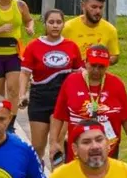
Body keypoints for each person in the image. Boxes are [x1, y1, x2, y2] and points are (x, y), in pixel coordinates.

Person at [49, 45, 127, 166]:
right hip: (77, 155)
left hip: (109, 153)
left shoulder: (116, 84)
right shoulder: (71, 81)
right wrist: (54, 143)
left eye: (101, 67)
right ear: (85, 62)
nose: (96, 71)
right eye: (93, 65)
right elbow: (58, 116)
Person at [19, 8, 83, 161]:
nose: (55, 26)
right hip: (39, 99)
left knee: (57, 145)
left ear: (63, 25)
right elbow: (25, 73)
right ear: (45, 24)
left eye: (58, 22)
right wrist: (22, 94)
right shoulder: (34, 46)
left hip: (61, 101)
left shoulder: (71, 46)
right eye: (51, 22)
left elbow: (78, 75)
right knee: (37, 147)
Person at [45, 121, 127, 178]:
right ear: (75, 149)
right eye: (86, 142)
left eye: (99, 140)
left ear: (108, 144)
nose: (95, 146)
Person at [62, 0, 121, 64]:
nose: (98, 11)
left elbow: (114, 55)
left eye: (101, 7)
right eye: (94, 7)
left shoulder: (110, 29)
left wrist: (99, 62)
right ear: (83, 6)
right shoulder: (67, 28)